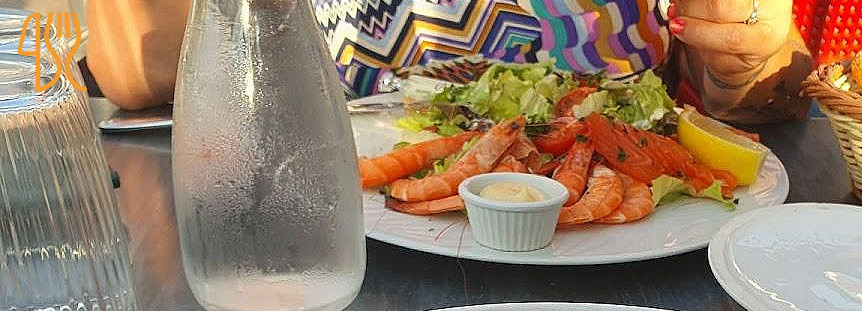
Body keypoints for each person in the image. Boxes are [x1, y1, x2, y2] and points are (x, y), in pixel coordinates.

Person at [86, 0, 811, 122]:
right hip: (346, 245)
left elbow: (770, 84)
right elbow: (137, 71)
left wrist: (741, 60)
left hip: (636, 251)